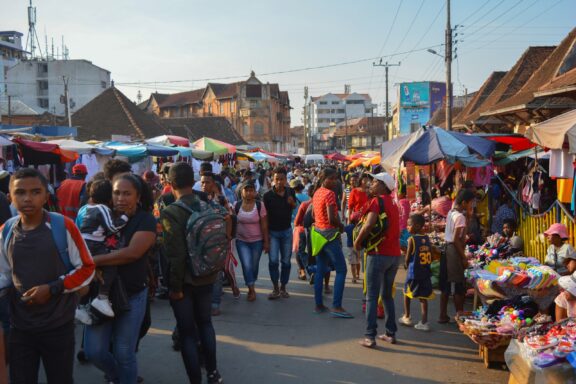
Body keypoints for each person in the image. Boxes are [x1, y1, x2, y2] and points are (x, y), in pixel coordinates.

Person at [0, 168, 95, 384]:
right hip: (20, 328)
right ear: (10, 197)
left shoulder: (63, 226)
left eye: (35, 192)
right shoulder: (6, 231)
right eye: (20, 192)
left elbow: (87, 268)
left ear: (45, 195)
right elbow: (4, 275)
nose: (27, 198)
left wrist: (53, 288)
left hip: (58, 326)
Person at [84, 174, 156, 384]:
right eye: (117, 193)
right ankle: (119, 377)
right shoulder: (102, 215)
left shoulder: (145, 219)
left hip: (132, 293)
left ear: (138, 196)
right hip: (100, 294)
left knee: (124, 352)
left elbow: (132, 253)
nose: (121, 198)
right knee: (93, 351)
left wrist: (95, 261)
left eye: (127, 193)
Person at [161, 163, 224, 384]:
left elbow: (175, 255)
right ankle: (213, 373)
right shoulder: (206, 204)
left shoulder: (171, 211)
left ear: (170, 184)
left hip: (185, 280)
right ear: (193, 180)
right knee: (206, 324)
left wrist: (175, 287)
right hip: (207, 274)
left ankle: (195, 380)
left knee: (188, 333)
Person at [354, 172, 400, 348]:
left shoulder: (376, 202)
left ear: (383, 186)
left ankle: (369, 336)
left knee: (372, 297)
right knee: (387, 296)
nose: (371, 184)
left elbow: (368, 225)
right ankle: (390, 333)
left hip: (378, 254)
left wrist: (358, 243)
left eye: (374, 182)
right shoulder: (393, 204)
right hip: (394, 256)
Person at [76, 179, 129, 322]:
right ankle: (102, 297)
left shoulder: (86, 208)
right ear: (109, 196)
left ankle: (80, 306)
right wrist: (126, 216)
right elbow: (112, 227)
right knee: (111, 265)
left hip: (84, 245)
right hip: (94, 245)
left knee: (88, 278)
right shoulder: (102, 208)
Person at [311, 167, 350, 318]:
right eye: (332, 178)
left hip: (319, 235)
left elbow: (314, 215)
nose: (335, 181)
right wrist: (341, 227)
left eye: (336, 178)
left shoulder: (317, 193)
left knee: (320, 270)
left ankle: (318, 304)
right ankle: (337, 306)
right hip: (330, 236)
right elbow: (332, 218)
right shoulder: (329, 194)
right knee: (341, 270)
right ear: (324, 178)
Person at [439, 189, 475, 324]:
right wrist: (464, 257)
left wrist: (469, 217)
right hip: (454, 250)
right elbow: (456, 239)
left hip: (448, 249)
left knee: (446, 284)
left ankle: (443, 315)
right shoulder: (460, 217)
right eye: (471, 202)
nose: (472, 205)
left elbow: (461, 235)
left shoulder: (452, 213)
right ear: (464, 202)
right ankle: (460, 315)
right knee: (458, 284)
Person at [399, 214, 436, 332]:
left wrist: (405, 264)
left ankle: (407, 316)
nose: (407, 227)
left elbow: (408, 256)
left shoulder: (412, 240)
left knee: (406, 293)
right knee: (423, 297)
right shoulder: (427, 239)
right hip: (425, 272)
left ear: (417, 226)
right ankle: (424, 322)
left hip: (413, 273)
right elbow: (431, 253)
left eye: (409, 225)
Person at [263, 167, 296, 299]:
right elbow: (264, 218)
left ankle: (283, 287)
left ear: (286, 180)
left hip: (287, 231)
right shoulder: (267, 196)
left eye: (282, 179)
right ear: (273, 180)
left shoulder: (290, 191)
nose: (279, 182)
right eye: (277, 179)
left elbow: (294, 207)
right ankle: (275, 288)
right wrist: (265, 239)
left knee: (286, 262)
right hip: (273, 233)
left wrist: (292, 202)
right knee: (273, 262)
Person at [235, 180, 269, 302]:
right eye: (246, 190)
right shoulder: (236, 205)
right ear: (242, 192)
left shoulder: (260, 205)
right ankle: (251, 289)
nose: (249, 193)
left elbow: (264, 225)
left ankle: (251, 281)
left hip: (257, 241)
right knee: (247, 265)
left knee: (253, 266)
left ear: (255, 192)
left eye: (251, 190)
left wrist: (266, 242)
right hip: (241, 241)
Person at [347, 173, 370, 283]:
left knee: (364, 244)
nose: (367, 182)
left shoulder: (370, 192)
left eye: (368, 180)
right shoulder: (354, 191)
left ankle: (363, 271)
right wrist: (348, 221)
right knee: (355, 243)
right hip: (356, 221)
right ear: (361, 181)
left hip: (368, 220)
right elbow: (350, 207)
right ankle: (356, 273)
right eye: (365, 180)